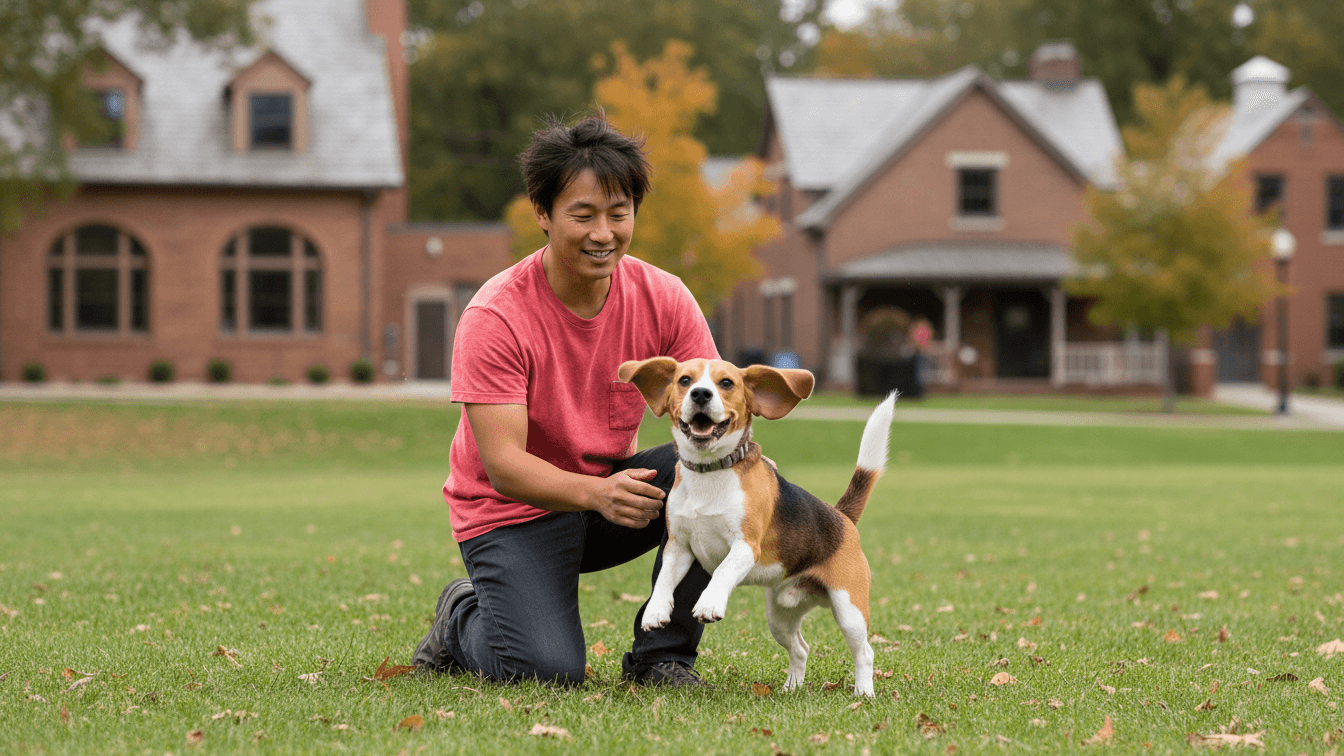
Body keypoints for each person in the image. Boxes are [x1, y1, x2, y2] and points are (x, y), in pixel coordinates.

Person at [411, 113, 717, 687]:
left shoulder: (666, 298)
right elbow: (504, 466)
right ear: (543, 215)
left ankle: (662, 657)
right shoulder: (496, 315)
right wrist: (597, 493)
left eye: (618, 213)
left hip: (606, 498)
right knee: (546, 673)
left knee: (713, 472)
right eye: (583, 215)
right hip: (512, 514)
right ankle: (460, 614)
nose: (603, 233)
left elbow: (721, 418)